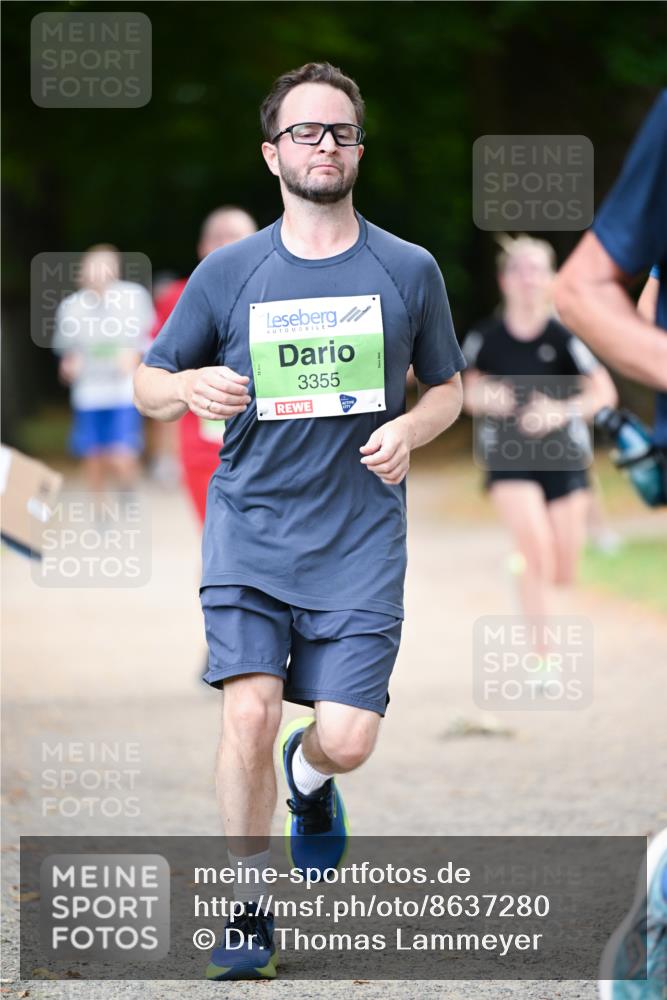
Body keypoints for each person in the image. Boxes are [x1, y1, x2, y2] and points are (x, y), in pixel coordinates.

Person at [134, 61, 465, 980]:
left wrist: (409, 428)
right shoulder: (230, 271)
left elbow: (448, 386)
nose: (325, 145)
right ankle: (247, 911)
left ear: (358, 148)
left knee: (348, 738)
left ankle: (307, 774)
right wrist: (186, 385)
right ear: (271, 152)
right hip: (250, 527)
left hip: (359, 538)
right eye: (305, 132)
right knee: (246, 708)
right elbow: (148, 380)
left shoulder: (407, 268)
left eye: (340, 132)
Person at [461, 235, 617, 653]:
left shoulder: (565, 336)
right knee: (536, 551)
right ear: (503, 280)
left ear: (550, 279)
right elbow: (463, 390)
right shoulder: (485, 337)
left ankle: (522, 570)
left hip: (564, 457)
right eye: (518, 269)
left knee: (562, 570)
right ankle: (543, 658)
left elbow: (603, 393)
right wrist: (483, 396)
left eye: (536, 270)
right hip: (508, 456)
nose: (527, 278)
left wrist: (561, 411)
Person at [149, 207, 258, 521]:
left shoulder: (282, 291)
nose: (225, 245)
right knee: (216, 539)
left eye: (235, 237)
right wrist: (165, 454)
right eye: (217, 238)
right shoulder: (176, 297)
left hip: (268, 447)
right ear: (201, 247)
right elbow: (158, 374)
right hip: (202, 448)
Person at [54, 244, 155, 495]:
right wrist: (69, 365)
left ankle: (127, 489)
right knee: (93, 455)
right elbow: (67, 350)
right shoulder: (71, 306)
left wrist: (135, 356)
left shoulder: (134, 297)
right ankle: (99, 508)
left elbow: (149, 338)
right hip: (88, 392)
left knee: (122, 452)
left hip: (122, 390)